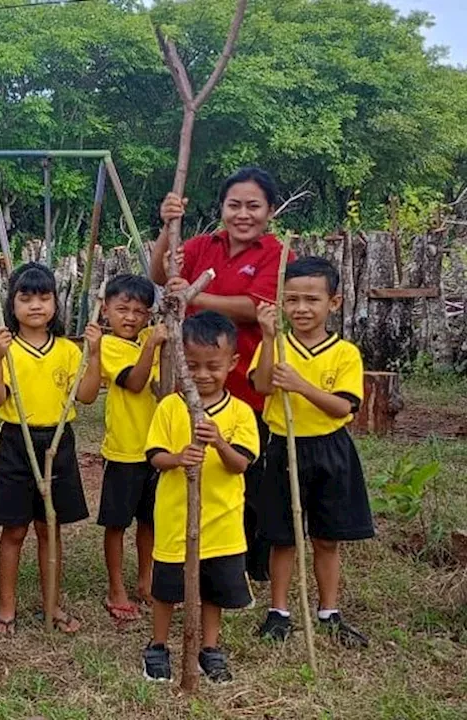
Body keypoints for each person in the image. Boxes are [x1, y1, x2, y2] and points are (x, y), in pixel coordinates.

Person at [150, 167, 293, 582]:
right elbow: (161, 274)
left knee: (246, 473)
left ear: (270, 211)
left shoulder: (277, 254)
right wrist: (167, 226)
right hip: (193, 380)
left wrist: (195, 293)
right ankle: (197, 552)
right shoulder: (203, 244)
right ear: (222, 208)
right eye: (234, 205)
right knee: (195, 465)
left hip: (248, 382)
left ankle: (246, 563)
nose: (242, 214)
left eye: (253, 206)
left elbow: (258, 305)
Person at [251, 256, 373, 648]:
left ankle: (329, 610)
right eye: (292, 300)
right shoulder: (277, 346)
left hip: (330, 449)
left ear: (333, 303)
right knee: (283, 535)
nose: (301, 308)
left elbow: (343, 407)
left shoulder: (345, 354)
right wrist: (269, 338)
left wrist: (302, 386)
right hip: (283, 447)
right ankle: (279, 611)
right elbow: (263, 386)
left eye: (311, 299)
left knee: (327, 536)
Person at [142, 311, 260, 684]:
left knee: (214, 590)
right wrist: (178, 459)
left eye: (213, 366)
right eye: (192, 365)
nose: (203, 374)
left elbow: (241, 464)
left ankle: (209, 648)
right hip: (177, 519)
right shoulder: (170, 407)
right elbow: (155, 456)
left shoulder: (240, 413)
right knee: (167, 588)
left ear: (233, 364)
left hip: (223, 522)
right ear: (180, 363)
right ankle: (158, 645)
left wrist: (218, 442)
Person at [0, 263, 101, 635]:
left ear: (55, 303)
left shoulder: (68, 350)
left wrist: (94, 354)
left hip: (57, 440)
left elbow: (85, 395)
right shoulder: (5, 348)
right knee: (14, 529)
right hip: (16, 441)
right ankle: (7, 606)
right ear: (12, 304)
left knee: (50, 528)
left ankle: (52, 605)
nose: (36, 305)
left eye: (44, 297)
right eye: (26, 297)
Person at [93, 274, 165, 623]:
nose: (130, 317)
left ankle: (146, 581)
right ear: (105, 310)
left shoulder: (154, 336)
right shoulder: (108, 347)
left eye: (139, 311)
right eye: (122, 309)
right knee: (117, 523)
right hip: (124, 450)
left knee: (150, 521)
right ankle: (116, 587)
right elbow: (136, 384)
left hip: (158, 449)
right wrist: (152, 347)